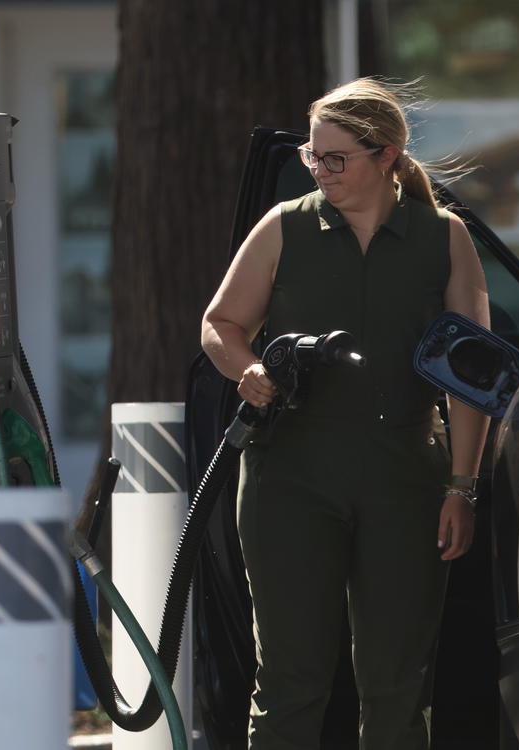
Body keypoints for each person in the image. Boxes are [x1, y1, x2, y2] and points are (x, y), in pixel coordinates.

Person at [200, 77, 491, 750]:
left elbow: (472, 378)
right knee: (290, 679)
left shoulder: (443, 237)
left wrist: (462, 486)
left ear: (385, 156)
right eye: (313, 156)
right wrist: (246, 368)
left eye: (337, 158)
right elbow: (219, 324)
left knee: (397, 683)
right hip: (288, 478)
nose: (321, 170)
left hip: (405, 481)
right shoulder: (283, 227)